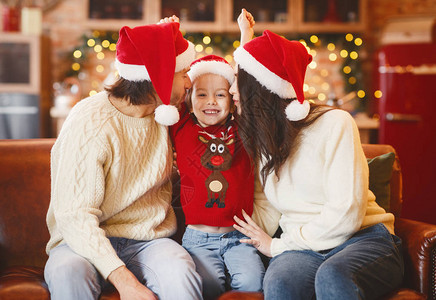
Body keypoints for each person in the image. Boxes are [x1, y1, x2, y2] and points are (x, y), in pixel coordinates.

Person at [230, 30, 404, 299]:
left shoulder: (335, 123)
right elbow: (268, 206)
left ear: (260, 89)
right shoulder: (263, 138)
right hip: (302, 248)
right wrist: (227, 233)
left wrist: (279, 246)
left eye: (237, 82)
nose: (231, 90)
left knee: (333, 275)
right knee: (280, 283)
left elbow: (347, 212)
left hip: (361, 237)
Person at [44, 22, 203, 300]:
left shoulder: (166, 114)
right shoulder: (91, 122)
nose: (189, 82)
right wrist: (125, 282)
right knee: (66, 272)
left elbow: (225, 105)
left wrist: (164, 37)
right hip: (80, 243)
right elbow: (74, 217)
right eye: (183, 72)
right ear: (159, 76)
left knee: (180, 271)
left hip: (147, 240)